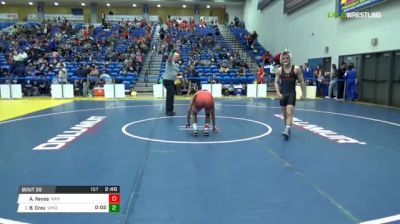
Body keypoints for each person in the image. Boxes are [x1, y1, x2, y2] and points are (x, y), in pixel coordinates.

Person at [274, 51, 306, 140]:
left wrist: (304, 94)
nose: (285, 60)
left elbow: (302, 81)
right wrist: (278, 92)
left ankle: (287, 129)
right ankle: (287, 128)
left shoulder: (296, 69)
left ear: (290, 59)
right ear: (281, 60)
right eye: (283, 58)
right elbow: (276, 82)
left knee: (289, 112)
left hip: (291, 94)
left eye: (287, 58)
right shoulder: (279, 70)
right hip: (282, 94)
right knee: (284, 115)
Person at [162, 49, 181, 116]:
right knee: (170, 96)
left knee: (171, 95)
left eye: (178, 57)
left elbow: (175, 72)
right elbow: (169, 58)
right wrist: (172, 52)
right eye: (177, 57)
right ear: (173, 56)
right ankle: (168, 111)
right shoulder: (169, 62)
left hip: (171, 81)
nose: (178, 58)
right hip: (167, 81)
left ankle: (170, 110)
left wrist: (178, 74)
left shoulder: (175, 64)